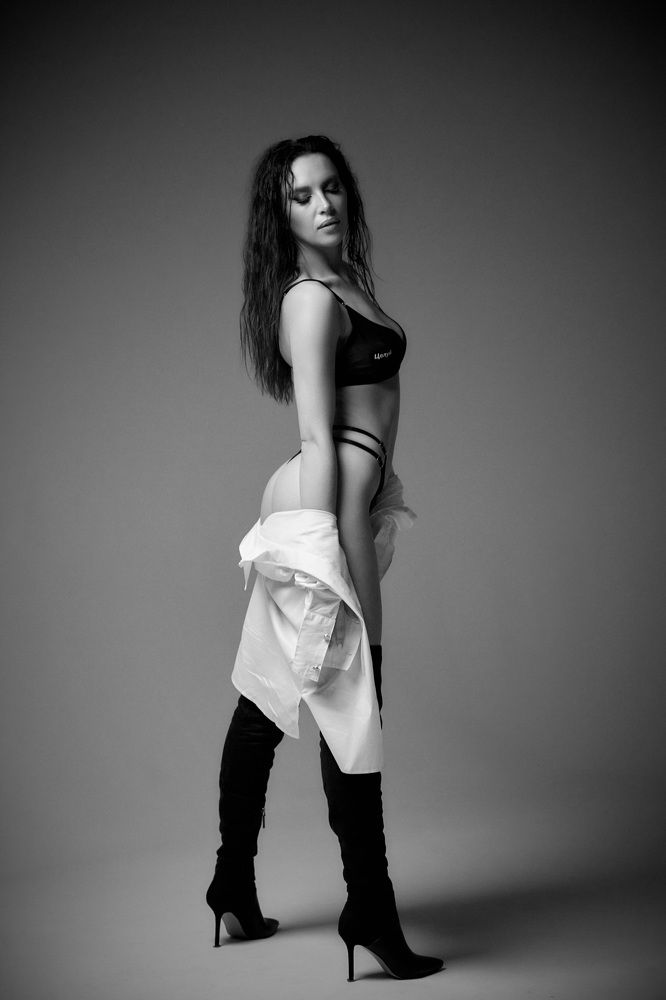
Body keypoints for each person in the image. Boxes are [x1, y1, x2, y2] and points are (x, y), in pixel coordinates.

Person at [206, 134, 444, 982]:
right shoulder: (309, 301)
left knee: (269, 701)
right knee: (353, 704)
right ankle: (368, 907)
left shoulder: (348, 284)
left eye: (332, 186)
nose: (324, 204)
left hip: (342, 494)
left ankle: (231, 885)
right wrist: (349, 579)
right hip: (323, 502)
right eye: (301, 195)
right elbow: (319, 440)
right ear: (280, 217)